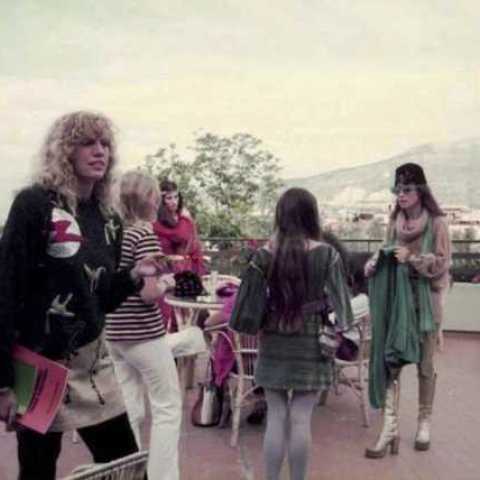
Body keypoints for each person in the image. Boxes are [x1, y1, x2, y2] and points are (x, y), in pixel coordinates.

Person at [0, 111, 163, 480]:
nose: (99, 151)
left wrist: (135, 276)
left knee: (127, 469)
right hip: (38, 365)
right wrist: (4, 381)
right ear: (64, 151)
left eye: (105, 144)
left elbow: (100, 298)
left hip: (92, 365)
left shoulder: (108, 218)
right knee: (37, 471)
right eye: (87, 142)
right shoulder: (33, 205)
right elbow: (5, 292)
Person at [229, 188, 353, 480]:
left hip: (273, 341)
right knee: (300, 420)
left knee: (276, 416)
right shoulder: (328, 254)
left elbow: (246, 309)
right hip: (312, 344)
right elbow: (343, 310)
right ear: (312, 215)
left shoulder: (264, 255)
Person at [364, 162, 451, 458]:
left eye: (407, 189)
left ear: (420, 191)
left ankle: (424, 422)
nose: (401, 194)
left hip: (426, 304)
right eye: (397, 189)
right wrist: (376, 262)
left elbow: (442, 264)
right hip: (395, 303)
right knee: (392, 361)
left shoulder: (438, 223)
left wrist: (412, 257)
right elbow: (385, 251)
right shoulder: (394, 223)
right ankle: (389, 427)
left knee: (425, 366)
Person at [106, 171, 182, 480]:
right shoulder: (143, 234)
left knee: (130, 408)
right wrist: (167, 282)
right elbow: (149, 294)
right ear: (147, 198)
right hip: (143, 333)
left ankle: (130, 473)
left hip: (113, 333)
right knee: (167, 407)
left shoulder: (111, 233)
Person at [153, 179, 205, 275]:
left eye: (176, 197)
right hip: (166, 272)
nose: (174, 202)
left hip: (188, 270)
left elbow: (195, 247)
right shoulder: (156, 223)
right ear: (162, 200)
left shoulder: (186, 220)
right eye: (169, 198)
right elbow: (179, 236)